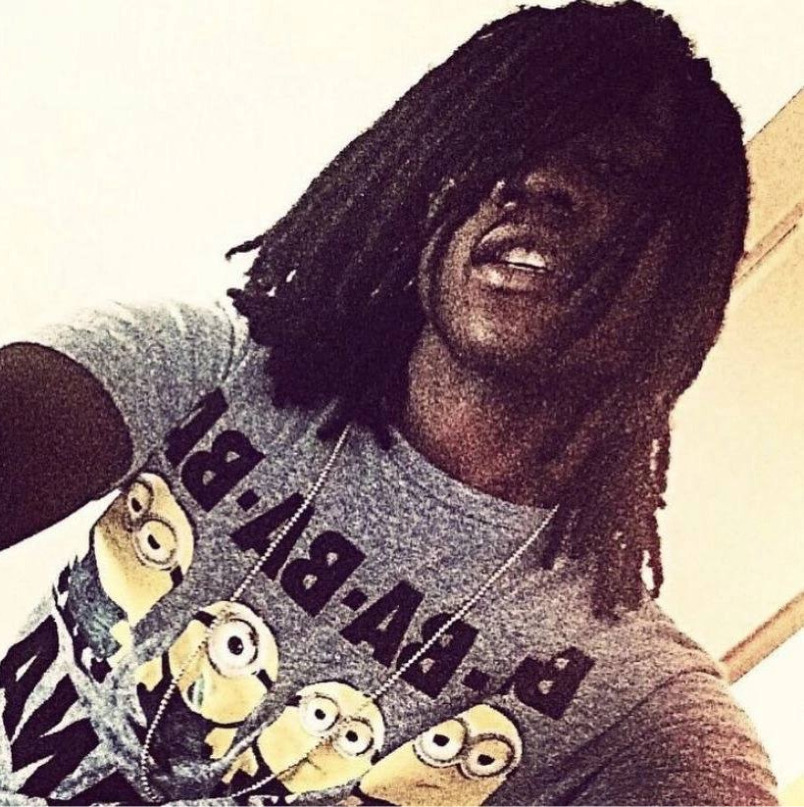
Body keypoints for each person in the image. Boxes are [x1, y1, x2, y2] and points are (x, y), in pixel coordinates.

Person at [0, 2, 779, 805]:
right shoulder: (207, 366)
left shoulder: (631, 703)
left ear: (684, 275)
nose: (538, 181)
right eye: (503, 143)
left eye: (612, 168)